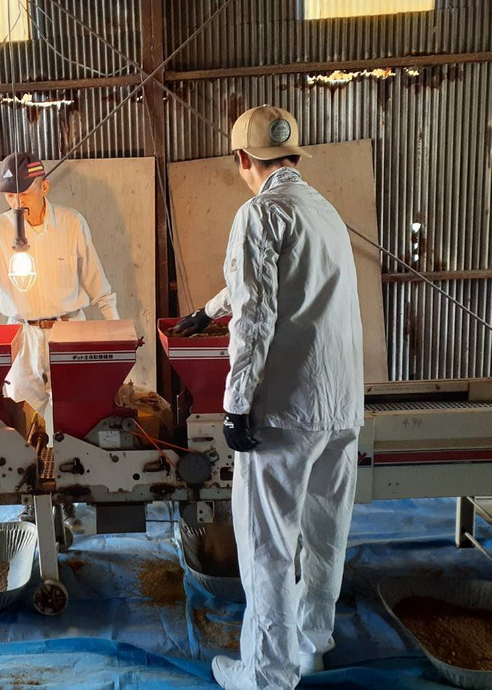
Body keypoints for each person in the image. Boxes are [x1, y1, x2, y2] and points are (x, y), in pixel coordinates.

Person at [176, 107, 364, 690]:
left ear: (242, 159)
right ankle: (311, 645)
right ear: (293, 156)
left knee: (268, 545)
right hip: (341, 407)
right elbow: (261, 282)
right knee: (325, 535)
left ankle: (265, 674)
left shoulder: (258, 213)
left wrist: (235, 404)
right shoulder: (323, 210)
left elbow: (255, 314)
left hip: (284, 410)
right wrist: (206, 311)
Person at [0, 152, 119, 523]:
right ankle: (33, 503)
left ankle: (73, 494)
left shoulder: (72, 223)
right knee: (24, 423)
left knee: (75, 420)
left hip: (69, 332)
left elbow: (97, 280)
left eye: (24, 193)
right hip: (24, 336)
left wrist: (114, 332)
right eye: (9, 195)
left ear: (44, 187)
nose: (16, 202)